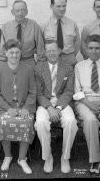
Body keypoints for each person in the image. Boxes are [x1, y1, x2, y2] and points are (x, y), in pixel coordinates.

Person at [34, 40, 78, 174]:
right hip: (45, 102)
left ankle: (65, 157)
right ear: (45, 53)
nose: (52, 53)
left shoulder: (68, 67)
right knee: (41, 123)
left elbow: (69, 91)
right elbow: (38, 93)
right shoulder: (38, 68)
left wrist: (58, 108)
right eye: (49, 51)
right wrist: (49, 108)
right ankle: (48, 157)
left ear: (59, 51)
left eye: (54, 50)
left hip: (62, 103)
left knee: (71, 122)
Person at [0, 39, 36, 174]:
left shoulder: (28, 68)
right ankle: (8, 155)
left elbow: (32, 91)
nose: (14, 55)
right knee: (3, 121)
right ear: (6, 53)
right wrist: (8, 109)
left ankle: (22, 158)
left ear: (21, 53)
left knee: (27, 121)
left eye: (17, 52)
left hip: (24, 106)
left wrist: (26, 108)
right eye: (11, 52)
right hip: (6, 107)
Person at [74, 34, 100, 174]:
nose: (94, 51)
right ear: (86, 49)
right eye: (91, 48)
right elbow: (77, 92)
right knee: (90, 120)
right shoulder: (79, 66)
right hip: (84, 101)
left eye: (97, 48)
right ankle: (95, 160)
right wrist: (90, 105)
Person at [0, 0, 45, 66]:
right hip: (10, 64)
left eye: (23, 10)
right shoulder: (6, 27)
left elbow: (40, 48)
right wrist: (3, 66)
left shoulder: (34, 25)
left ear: (27, 12)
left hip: (28, 63)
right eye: (17, 10)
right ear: (12, 12)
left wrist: (41, 66)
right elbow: (2, 50)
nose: (20, 13)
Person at [42, 0, 80, 67]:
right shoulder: (44, 26)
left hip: (69, 62)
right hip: (51, 63)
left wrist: (69, 55)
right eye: (58, 6)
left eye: (64, 6)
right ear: (51, 6)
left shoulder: (72, 24)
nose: (62, 9)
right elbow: (41, 46)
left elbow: (77, 43)